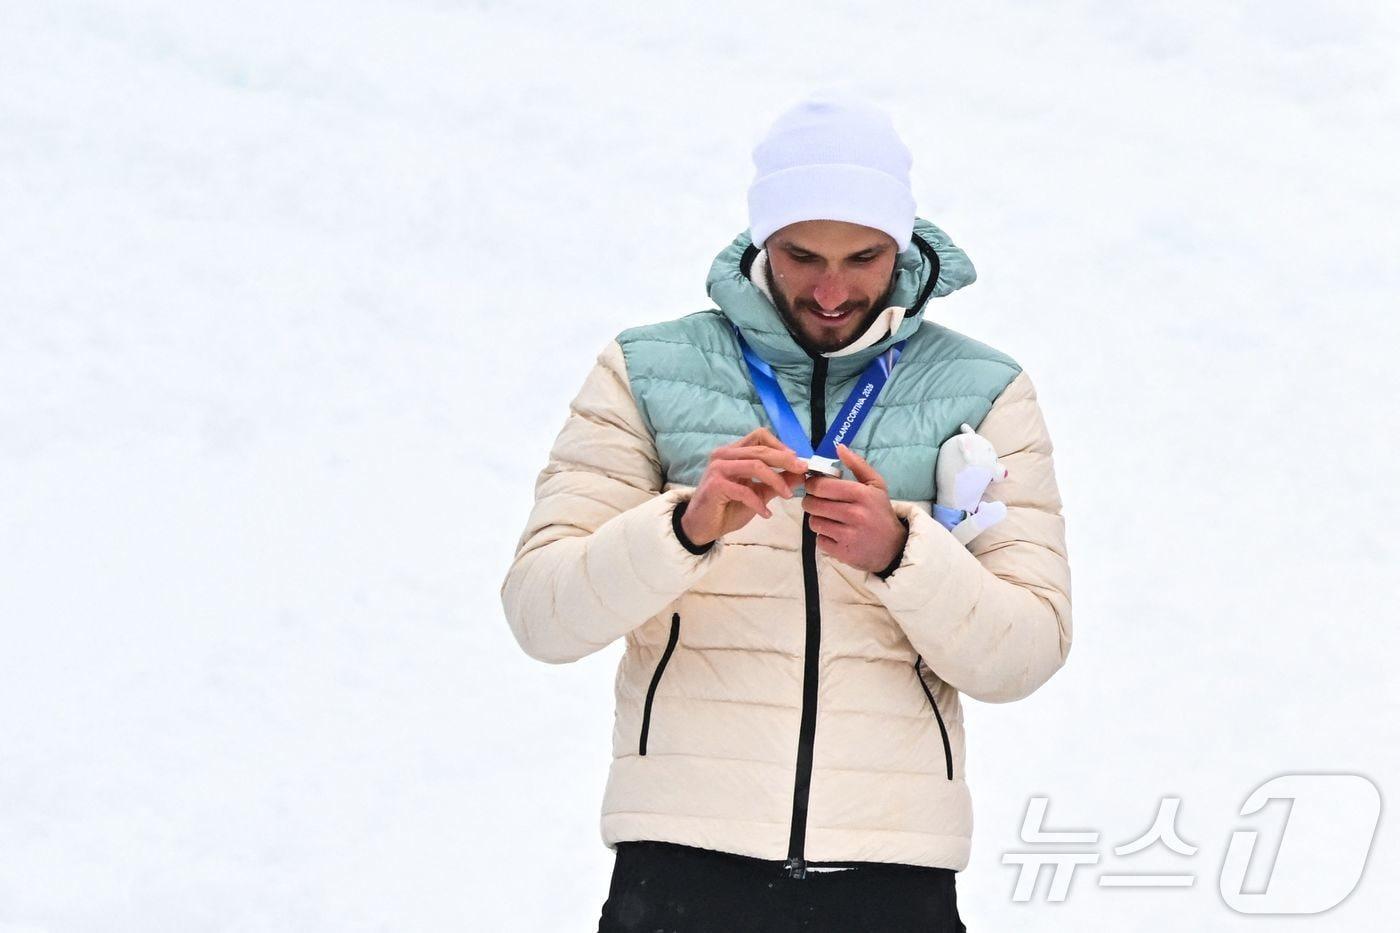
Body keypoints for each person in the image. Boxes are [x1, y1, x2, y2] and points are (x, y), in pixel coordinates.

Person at [500, 91, 1073, 932]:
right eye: (802, 255)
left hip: (892, 870)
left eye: (864, 256)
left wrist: (900, 553)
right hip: (681, 859)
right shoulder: (646, 370)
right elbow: (542, 616)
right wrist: (684, 528)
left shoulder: (985, 390)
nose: (832, 290)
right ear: (761, 241)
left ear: (904, 246)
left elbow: (1025, 653)